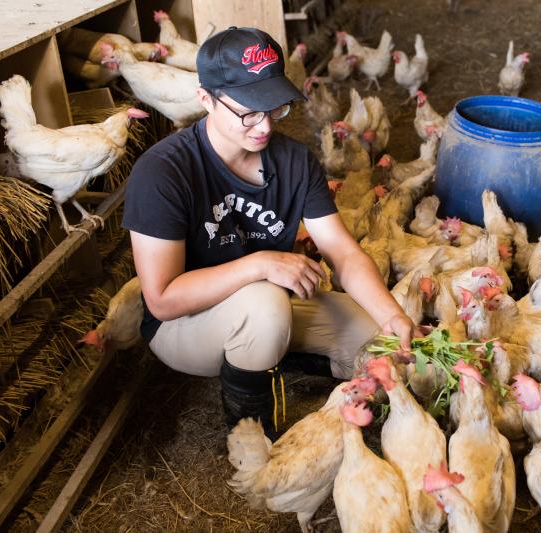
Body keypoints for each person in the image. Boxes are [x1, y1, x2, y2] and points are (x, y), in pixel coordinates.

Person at [122, 27, 416, 437]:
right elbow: (163, 299)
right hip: (184, 323)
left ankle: (270, 355)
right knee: (264, 304)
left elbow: (343, 252)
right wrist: (260, 264)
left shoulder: (294, 161)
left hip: (271, 305)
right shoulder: (163, 171)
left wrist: (393, 314)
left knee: (375, 340)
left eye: (275, 107)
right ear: (206, 99)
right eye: (249, 111)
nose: (264, 125)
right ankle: (252, 438)